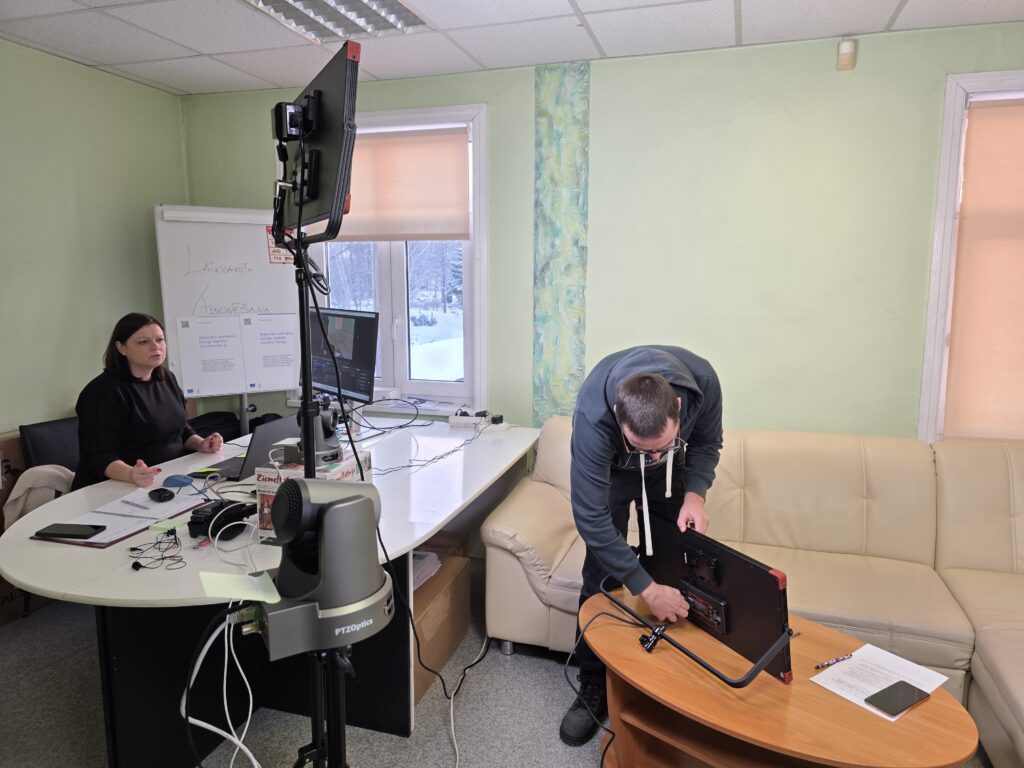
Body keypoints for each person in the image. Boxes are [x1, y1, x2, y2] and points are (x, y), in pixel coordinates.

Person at [559, 345, 723, 747]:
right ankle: (593, 682)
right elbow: (591, 519)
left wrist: (695, 495)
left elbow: (706, 443)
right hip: (614, 474)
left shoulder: (702, 382)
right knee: (602, 577)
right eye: (641, 448)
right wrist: (645, 589)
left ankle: (668, 677)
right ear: (618, 415)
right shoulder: (594, 416)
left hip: (671, 475)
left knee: (678, 568)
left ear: (679, 407)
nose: (650, 457)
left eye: (661, 444)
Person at [71, 313, 224, 491]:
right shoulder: (102, 392)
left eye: (160, 340)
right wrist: (131, 473)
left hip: (165, 479)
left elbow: (181, 430)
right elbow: (99, 456)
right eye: (143, 342)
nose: (155, 347)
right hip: (112, 489)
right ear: (121, 348)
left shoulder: (166, 378)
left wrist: (201, 444)